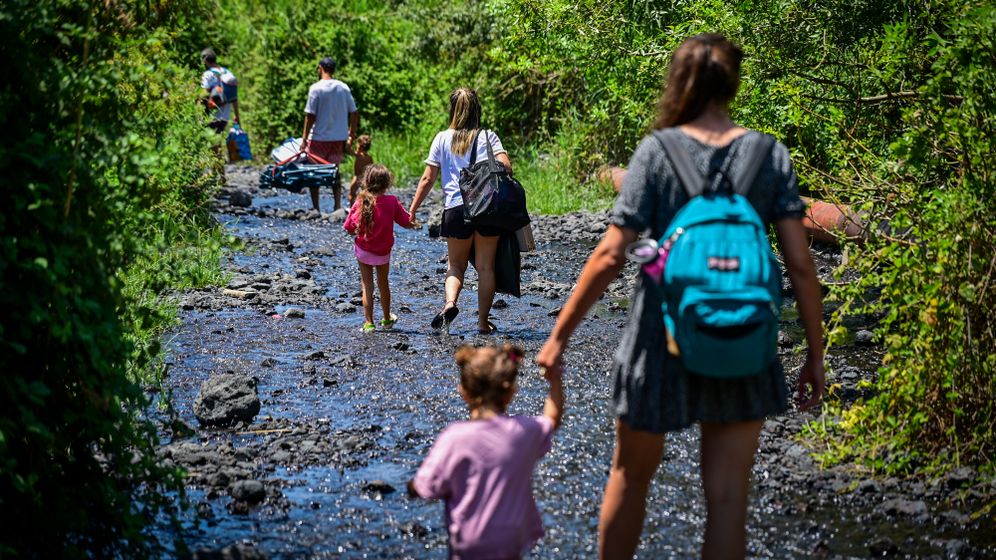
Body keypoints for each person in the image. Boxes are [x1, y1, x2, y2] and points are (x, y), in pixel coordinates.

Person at [535, 33, 826, 560]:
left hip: (658, 339)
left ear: (677, 82)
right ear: (733, 83)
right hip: (743, 337)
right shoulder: (769, 154)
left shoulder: (658, 151)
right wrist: (815, 353)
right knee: (728, 498)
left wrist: (559, 337)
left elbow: (610, 255)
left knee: (631, 477)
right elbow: (802, 267)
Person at [408, 343, 564, 559]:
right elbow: (552, 419)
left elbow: (424, 487)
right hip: (512, 540)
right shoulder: (523, 432)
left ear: (463, 392)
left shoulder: (454, 437)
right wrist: (555, 379)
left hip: (468, 545)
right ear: (510, 392)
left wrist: (413, 487)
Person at [408, 88, 512, 334]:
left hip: (455, 208)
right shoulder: (488, 136)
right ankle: (483, 322)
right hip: (486, 208)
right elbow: (506, 167)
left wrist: (412, 210)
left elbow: (427, 179)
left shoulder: (442, 138)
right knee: (485, 267)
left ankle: (450, 304)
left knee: (455, 265)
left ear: (452, 109)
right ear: (477, 109)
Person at [343, 164, 415, 332]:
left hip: (364, 250)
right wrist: (413, 217)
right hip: (383, 252)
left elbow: (348, 227)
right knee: (383, 284)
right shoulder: (391, 201)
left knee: (367, 286)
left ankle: (369, 323)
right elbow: (406, 222)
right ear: (387, 183)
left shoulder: (361, 201)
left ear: (366, 181)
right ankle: (387, 319)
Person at [302, 56, 358, 212]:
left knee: (314, 173)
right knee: (334, 170)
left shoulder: (316, 88)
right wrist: (351, 134)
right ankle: (337, 205)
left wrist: (304, 139)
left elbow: (310, 116)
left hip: (319, 138)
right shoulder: (343, 87)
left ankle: (316, 207)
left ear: (320, 68)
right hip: (338, 138)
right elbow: (354, 113)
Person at [348, 134, 374, 206]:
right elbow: (371, 169)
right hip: (365, 178)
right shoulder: (370, 158)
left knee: (352, 194)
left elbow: (348, 149)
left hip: (357, 177)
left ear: (360, 145)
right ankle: (366, 208)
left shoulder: (358, 155)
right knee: (367, 194)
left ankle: (352, 208)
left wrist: (350, 139)